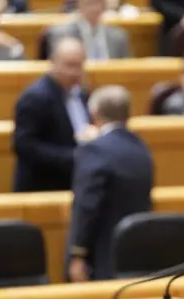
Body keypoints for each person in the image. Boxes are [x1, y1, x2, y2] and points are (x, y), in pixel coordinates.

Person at [65, 85, 153, 282]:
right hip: (136, 254)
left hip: (102, 256)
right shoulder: (141, 148)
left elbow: (86, 206)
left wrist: (77, 254)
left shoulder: (94, 150)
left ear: (94, 113)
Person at [12, 37, 90, 192]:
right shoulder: (34, 97)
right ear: (53, 63)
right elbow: (24, 146)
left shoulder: (82, 94)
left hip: (73, 182)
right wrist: (73, 157)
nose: (75, 72)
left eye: (79, 66)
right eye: (69, 65)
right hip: (42, 186)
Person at [47, 0, 132, 61]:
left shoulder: (118, 36)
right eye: (89, 3)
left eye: (98, 3)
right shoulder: (61, 34)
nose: (94, 8)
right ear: (79, 4)